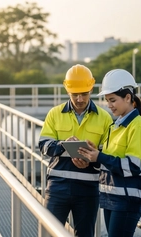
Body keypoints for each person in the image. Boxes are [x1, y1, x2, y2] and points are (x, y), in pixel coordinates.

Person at [38, 64, 113, 237]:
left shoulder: (105, 118)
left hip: (89, 189)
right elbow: (43, 145)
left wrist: (93, 157)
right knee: (48, 232)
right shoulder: (54, 114)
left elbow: (109, 154)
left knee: (85, 234)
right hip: (58, 186)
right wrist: (63, 145)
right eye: (75, 94)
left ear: (91, 89)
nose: (79, 99)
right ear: (67, 89)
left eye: (84, 94)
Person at [78, 69, 141, 237]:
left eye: (112, 100)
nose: (109, 105)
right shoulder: (116, 126)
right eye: (106, 100)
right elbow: (110, 160)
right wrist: (94, 154)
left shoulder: (138, 127)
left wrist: (100, 156)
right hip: (112, 198)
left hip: (127, 201)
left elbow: (133, 166)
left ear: (128, 97)